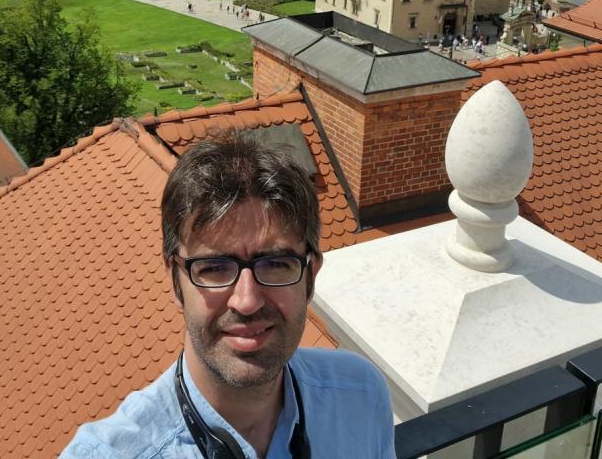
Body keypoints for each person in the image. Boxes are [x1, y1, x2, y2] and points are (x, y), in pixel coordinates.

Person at [62, 131, 395, 458]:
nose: (247, 300)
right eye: (214, 268)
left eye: (276, 264)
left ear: (310, 276)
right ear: (176, 283)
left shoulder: (361, 396)